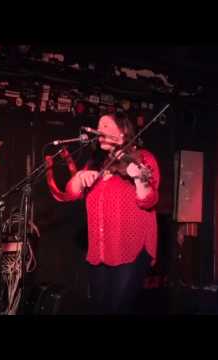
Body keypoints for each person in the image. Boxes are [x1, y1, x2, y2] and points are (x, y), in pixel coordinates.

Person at [66, 112, 160, 314]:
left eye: (107, 126)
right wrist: (80, 177)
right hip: (100, 250)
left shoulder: (142, 158)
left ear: (123, 132)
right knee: (99, 308)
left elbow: (148, 200)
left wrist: (138, 178)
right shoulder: (95, 162)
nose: (101, 130)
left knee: (119, 309)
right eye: (99, 126)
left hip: (130, 248)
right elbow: (71, 193)